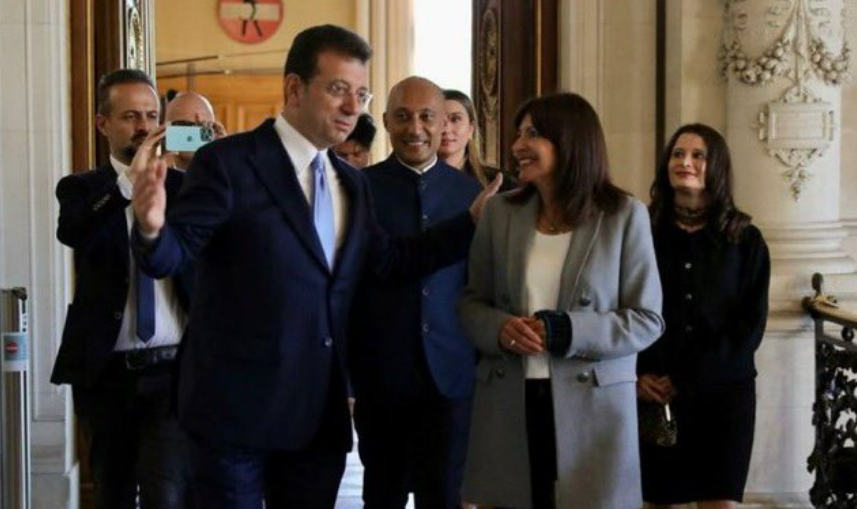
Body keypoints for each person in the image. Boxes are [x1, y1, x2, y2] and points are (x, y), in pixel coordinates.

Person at [129, 24, 500, 509]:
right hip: (235, 415)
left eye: (361, 94)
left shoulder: (352, 183)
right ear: (294, 88)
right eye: (338, 89)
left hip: (315, 419)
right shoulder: (229, 162)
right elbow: (174, 254)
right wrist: (152, 227)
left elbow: (389, 262)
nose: (351, 107)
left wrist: (469, 224)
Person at [458, 92, 664, 509]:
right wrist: (500, 328)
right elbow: (471, 303)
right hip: (511, 399)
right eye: (519, 133)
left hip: (592, 408)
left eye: (532, 133)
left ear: (570, 141)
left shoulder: (624, 214)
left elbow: (646, 320)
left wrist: (568, 330)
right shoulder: (500, 213)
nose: (517, 145)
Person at [49, 69, 194, 509]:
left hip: (172, 372)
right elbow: (73, 231)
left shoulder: (187, 189)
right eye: (130, 116)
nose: (143, 127)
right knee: (112, 492)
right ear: (103, 123)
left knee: (165, 494)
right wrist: (129, 183)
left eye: (151, 116)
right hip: (106, 374)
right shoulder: (82, 189)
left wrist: (218, 163)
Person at [348, 76, 482, 509]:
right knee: (381, 494)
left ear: (444, 123)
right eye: (403, 117)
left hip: (451, 373)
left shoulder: (471, 195)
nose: (415, 128)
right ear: (386, 121)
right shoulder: (359, 188)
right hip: (382, 373)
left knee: (443, 495)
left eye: (427, 117)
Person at [637, 123, 770, 509]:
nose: (685, 162)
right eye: (678, 154)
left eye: (698, 155)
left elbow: (749, 326)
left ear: (718, 166)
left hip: (722, 394)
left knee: (720, 503)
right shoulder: (641, 231)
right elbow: (622, 305)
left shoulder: (745, 239)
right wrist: (636, 375)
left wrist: (688, 378)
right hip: (654, 391)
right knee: (658, 501)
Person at [439, 89, 512, 190]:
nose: (446, 129)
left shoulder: (502, 183)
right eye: (438, 120)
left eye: (455, 119)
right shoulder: (417, 183)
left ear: (471, 128)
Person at [163, 91, 227, 170]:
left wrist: (223, 155)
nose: (196, 133)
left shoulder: (223, 169)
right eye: (186, 124)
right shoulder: (156, 171)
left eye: (205, 128)